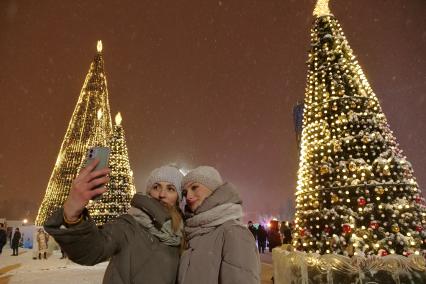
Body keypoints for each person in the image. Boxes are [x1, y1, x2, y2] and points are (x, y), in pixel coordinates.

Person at [44, 162, 184, 284]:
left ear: (178, 197)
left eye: (170, 189)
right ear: (149, 192)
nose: (162, 194)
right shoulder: (128, 226)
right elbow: (93, 250)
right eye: (156, 187)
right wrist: (72, 215)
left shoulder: (183, 234)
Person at [178, 166, 260, 284]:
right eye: (185, 193)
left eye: (194, 187)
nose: (189, 196)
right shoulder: (193, 230)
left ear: (213, 188)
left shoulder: (234, 232)